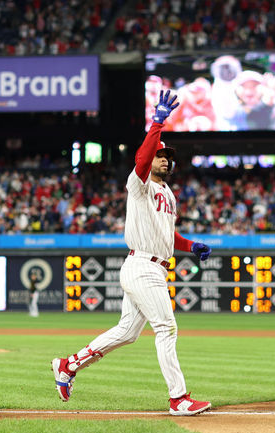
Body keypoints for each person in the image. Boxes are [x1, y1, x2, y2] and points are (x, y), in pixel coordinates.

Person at [52, 90, 213, 416]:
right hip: (142, 266)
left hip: (153, 266)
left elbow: (168, 235)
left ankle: (68, 365)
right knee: (166, 329)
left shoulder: (168, 194)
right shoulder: (140, 185)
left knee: (126, 332)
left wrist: (190, 246)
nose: (164, 159)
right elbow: (141, 159)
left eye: (168, 156)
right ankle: (178, 399)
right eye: (160, 155)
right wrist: (156, 124)